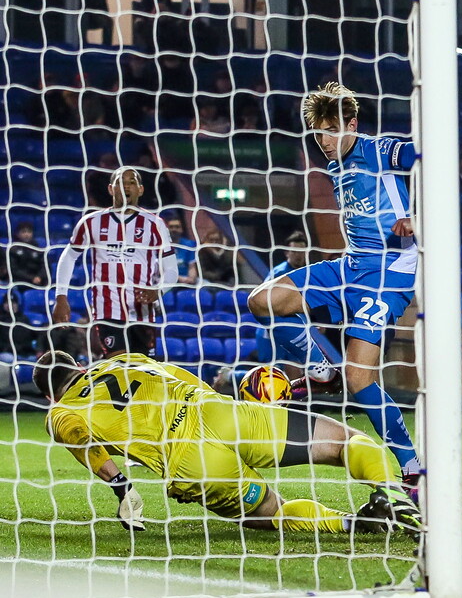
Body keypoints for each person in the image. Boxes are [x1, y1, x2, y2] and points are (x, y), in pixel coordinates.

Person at [247, 82, 424, 493]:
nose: (324, 141)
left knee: (360, 377)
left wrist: (419, 214)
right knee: (264, 301)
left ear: (353, 124)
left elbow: (432, 156)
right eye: (318, 133)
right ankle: (319, 370)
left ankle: (412, 466)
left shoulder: (380, 150)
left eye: (330, 130)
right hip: (350, 266)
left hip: (389, 271)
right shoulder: (334, 166)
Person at [32, 350, 419, 536]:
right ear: (81, 366)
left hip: (191, 461)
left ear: (50, 396)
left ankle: (353, 524)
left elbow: (82, 441)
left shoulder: (61, 411)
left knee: (269, 511)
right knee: (344, 440)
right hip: (218, 413)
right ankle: (396, 497)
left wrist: (123, 488)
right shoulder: (122, 359)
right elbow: (175, 372)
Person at [53, 167, 177, 358]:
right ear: (111, 189)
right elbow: (69, 256)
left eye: (132, 182)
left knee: (142, 371)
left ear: (141, 189)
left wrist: (159, 290)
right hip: (107, 311)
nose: (126, 186)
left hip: (143, 313)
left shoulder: (155, 224)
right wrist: (61, 296)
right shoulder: (91, 222)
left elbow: (171, 270)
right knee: (118, 364)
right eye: (120, 182)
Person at [255, 231, 311, 363]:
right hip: (272, 331)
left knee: (297, 368)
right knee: (270, 373)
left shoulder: (308, 273)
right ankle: (229, 376)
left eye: (302, 251)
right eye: (295, 251)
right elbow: (264, 303)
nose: (299, 255)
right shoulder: (279, 274)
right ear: (287, 252)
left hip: (295, 329)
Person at [6, 221, 48, 288]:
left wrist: (39, 276)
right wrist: (31, 278)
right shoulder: (13, 249)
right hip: (20, 282)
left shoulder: (38, 248)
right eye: (23, 232)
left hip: (38, 281)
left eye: (29, 232)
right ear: (18, 234)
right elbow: (13, 270)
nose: (27, 234)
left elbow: (45, 266)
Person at [166, 216, 198, 286]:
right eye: (171, 227)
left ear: (181, 229)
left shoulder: (189, 244)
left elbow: (191, 267)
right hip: (167, 281)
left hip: (186, 279)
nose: (174, 229)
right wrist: (180, 279)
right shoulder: (162, 246)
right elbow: (161, 271)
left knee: (206, 286)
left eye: (177, 227)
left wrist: (191, 279)